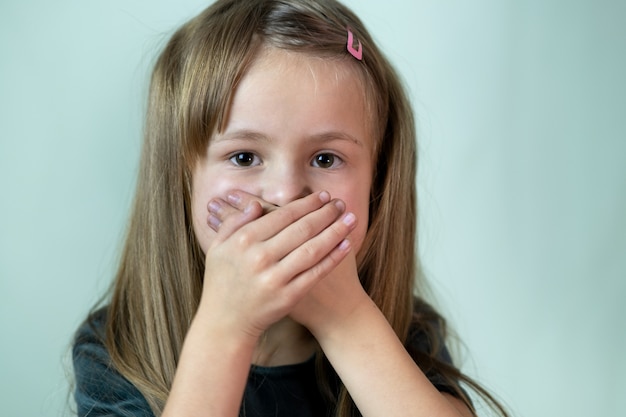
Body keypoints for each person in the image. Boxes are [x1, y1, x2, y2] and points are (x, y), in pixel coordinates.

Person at [72, 1, 508, 416]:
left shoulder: (407, 332)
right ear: (182, 179)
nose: (284, 195)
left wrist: (347, 320)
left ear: (377, 182)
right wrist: (224, 330)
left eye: (325, 159)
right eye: (244, 157)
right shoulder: (115, 349)